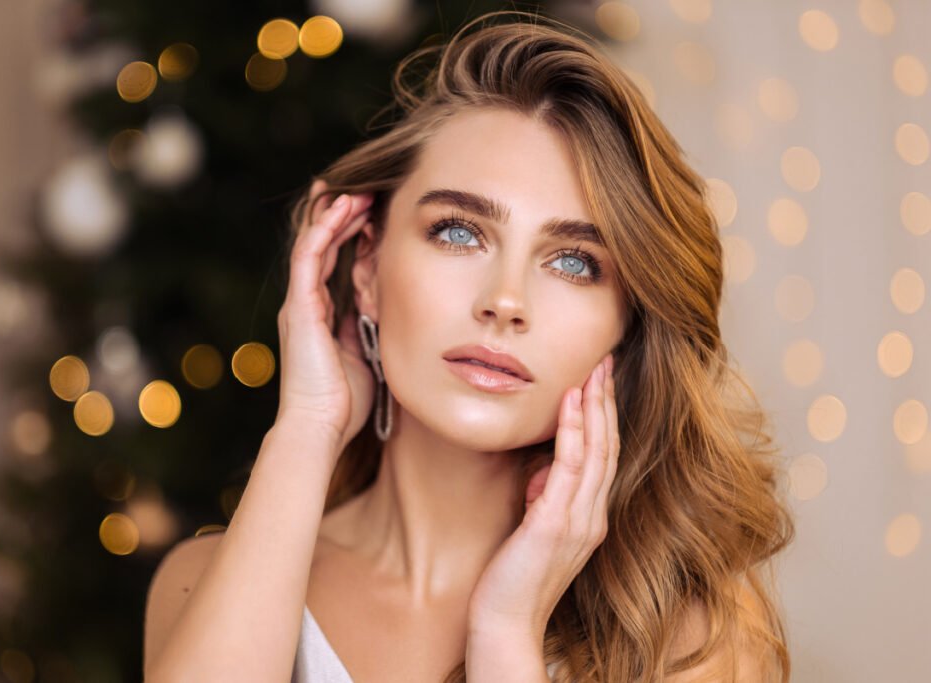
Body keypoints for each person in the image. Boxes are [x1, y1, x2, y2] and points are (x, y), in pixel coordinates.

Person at [143, 9, 795, 682]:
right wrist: (308, 424)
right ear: (365, 266)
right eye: (459, 231)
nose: (504, 301)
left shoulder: (689, 642)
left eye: (573, 262)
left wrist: (507, 633)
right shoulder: (199, 582)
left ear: (625, 329)